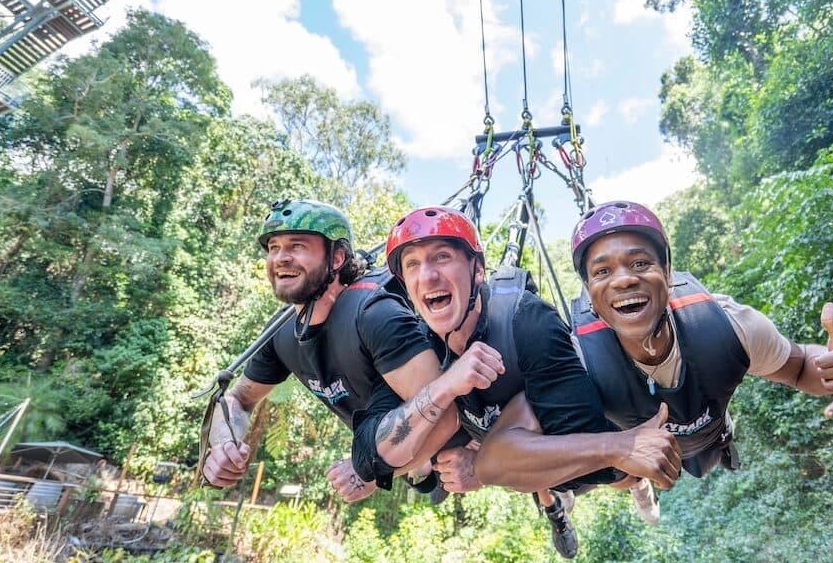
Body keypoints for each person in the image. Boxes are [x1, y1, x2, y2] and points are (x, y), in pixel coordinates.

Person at [371, 206, 682, 558]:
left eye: (442, 257)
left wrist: (482, 466)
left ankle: (634, 485)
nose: (427, 276)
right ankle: (553, 503)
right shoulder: (421, 349)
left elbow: (587, 457)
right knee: (477, 461)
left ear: (477, 271)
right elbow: (392, 444)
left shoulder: (527, 321)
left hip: (572, 450)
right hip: (514, 448)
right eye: (412, 264)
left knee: (615, 476)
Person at [568, 200, 833, 523]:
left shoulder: (726, 326)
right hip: (628, 447)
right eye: (603, 271)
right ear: (589, 295)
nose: (623, 281)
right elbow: (526, 450)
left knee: (705, 461)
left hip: (708, 434)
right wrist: (616, 450)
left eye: (640, 263)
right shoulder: (578, 360)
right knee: (619, 474)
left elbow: (799, 366)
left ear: (668, 274)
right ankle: (639, 485)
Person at [200, 199, 462, 502]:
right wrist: (222, 444)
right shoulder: (281, 332)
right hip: (389, 440)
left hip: (451, 440)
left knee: (434, 463)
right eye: (274, 248)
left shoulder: (375, 314)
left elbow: (446, 416)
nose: (281, 258)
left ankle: (424, 472)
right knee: (409, 463)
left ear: (337, 257)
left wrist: (372, 474)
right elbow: (239, 399)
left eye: (297, 246)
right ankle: (421, 473)